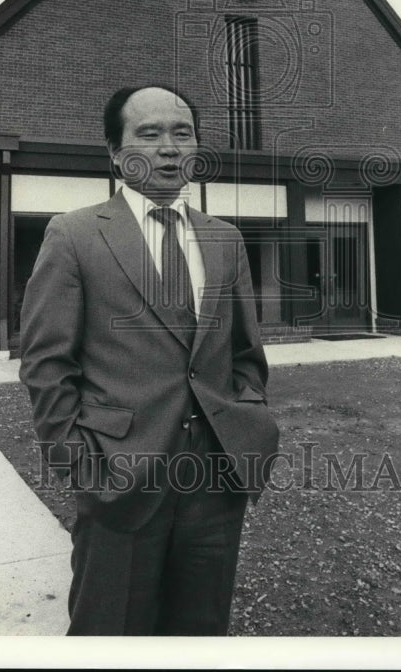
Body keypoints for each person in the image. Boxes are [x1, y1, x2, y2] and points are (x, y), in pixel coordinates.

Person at [19, 85, 280, 635]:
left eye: (181, 134)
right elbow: (47, 364)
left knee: (200, 635)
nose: (168, 149)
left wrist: (248, 422)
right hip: (119, 485)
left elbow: (245, 355)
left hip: (216, 484)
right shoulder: (74, 235)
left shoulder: (225, 240)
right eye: (149, 133)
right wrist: (82, 467)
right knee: (109, 634)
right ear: (115, 153)